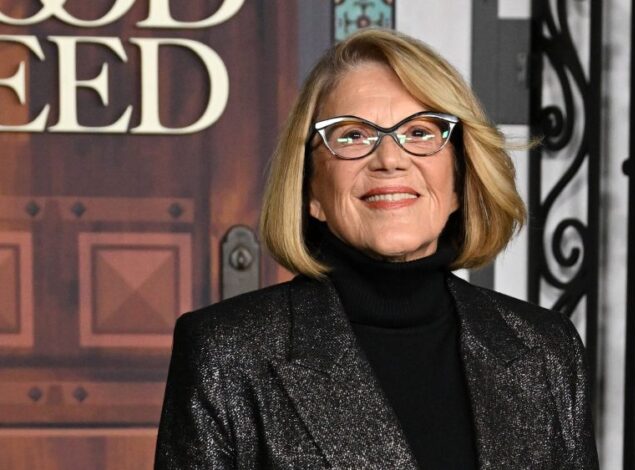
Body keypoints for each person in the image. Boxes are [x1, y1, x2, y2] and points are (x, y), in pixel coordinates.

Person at [154, 28, 599, 470]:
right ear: (312, 189)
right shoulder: (226, 353)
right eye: (352, 135)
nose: (390, 159)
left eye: (421, 132)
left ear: (461, 179)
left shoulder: (545, 349)